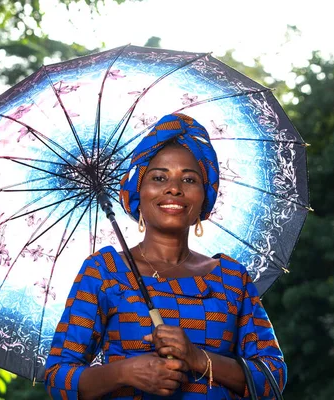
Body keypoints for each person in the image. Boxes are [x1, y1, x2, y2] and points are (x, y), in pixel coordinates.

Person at [44, 113, 286, 399]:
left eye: (189, 179)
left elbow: (273, 377)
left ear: (204, 198)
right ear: (138, 193)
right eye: (159, 177)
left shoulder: (231, 278)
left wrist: (198, 358)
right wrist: (125, 372)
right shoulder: (105, 272)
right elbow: (57, 376)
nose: (174, 188)